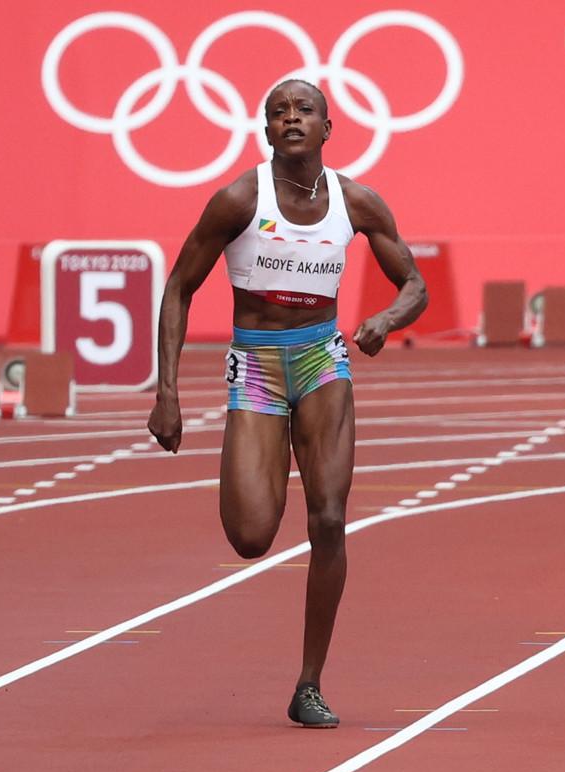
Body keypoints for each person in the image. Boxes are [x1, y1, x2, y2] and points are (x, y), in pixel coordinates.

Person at [147, 79, 428, 726]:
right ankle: (253, 456)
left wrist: (385, 319)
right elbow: (178, 288)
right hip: (257, 367)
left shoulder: (356, 201)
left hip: (321, 360)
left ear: (327, 128)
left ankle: (309, 683)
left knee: (329, 519)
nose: (291, 118)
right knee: (250, 538)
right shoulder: (239, 199)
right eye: (279, 112)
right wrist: (167, 392)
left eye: (304, 110)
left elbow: (413, 282)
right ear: (267, 131)